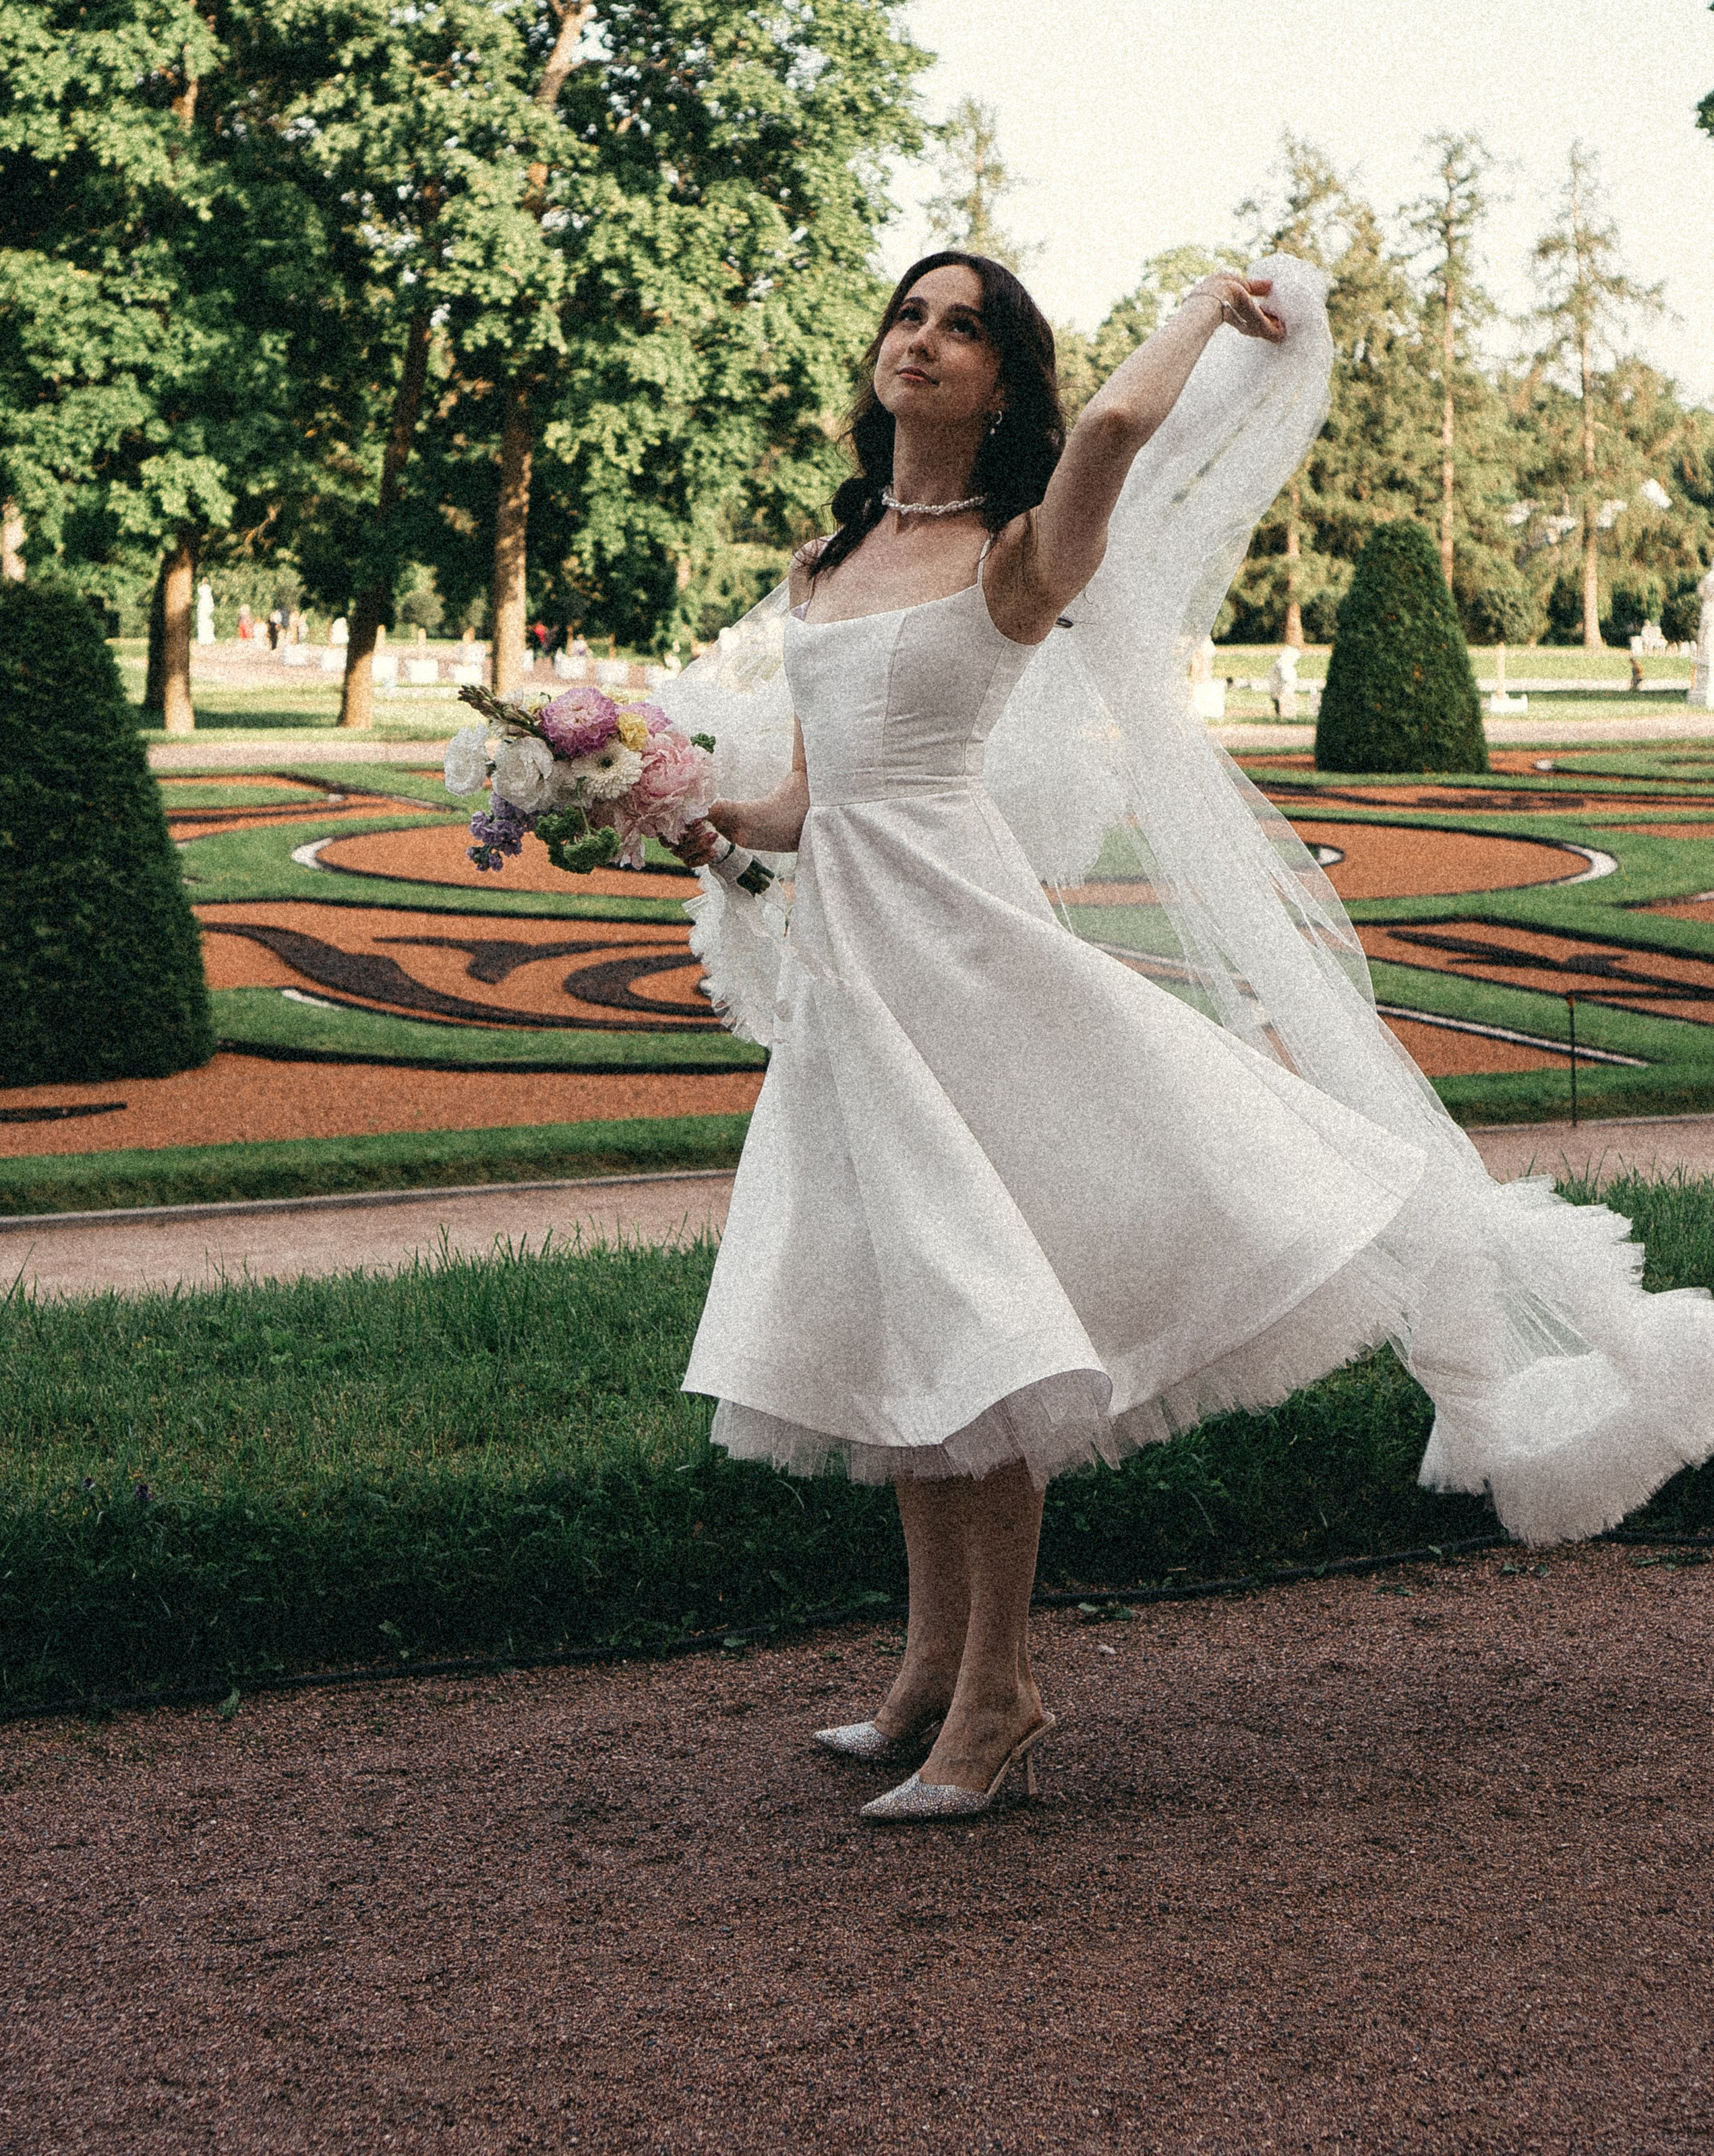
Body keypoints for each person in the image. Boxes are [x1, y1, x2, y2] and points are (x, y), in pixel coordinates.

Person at [667, 251, 1714, 1827]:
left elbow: (1108, 432)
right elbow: (812, 799)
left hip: (968, 970)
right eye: (909, 315)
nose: (923, 340)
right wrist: (691, 811)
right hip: (852, 978)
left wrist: (1207, 308)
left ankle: (1001, 1691)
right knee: (903, 1311)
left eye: (964, 327)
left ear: (1002, 382)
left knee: (976, 1323)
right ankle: (928, 1670)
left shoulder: (1024, 549)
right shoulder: (829, 559)